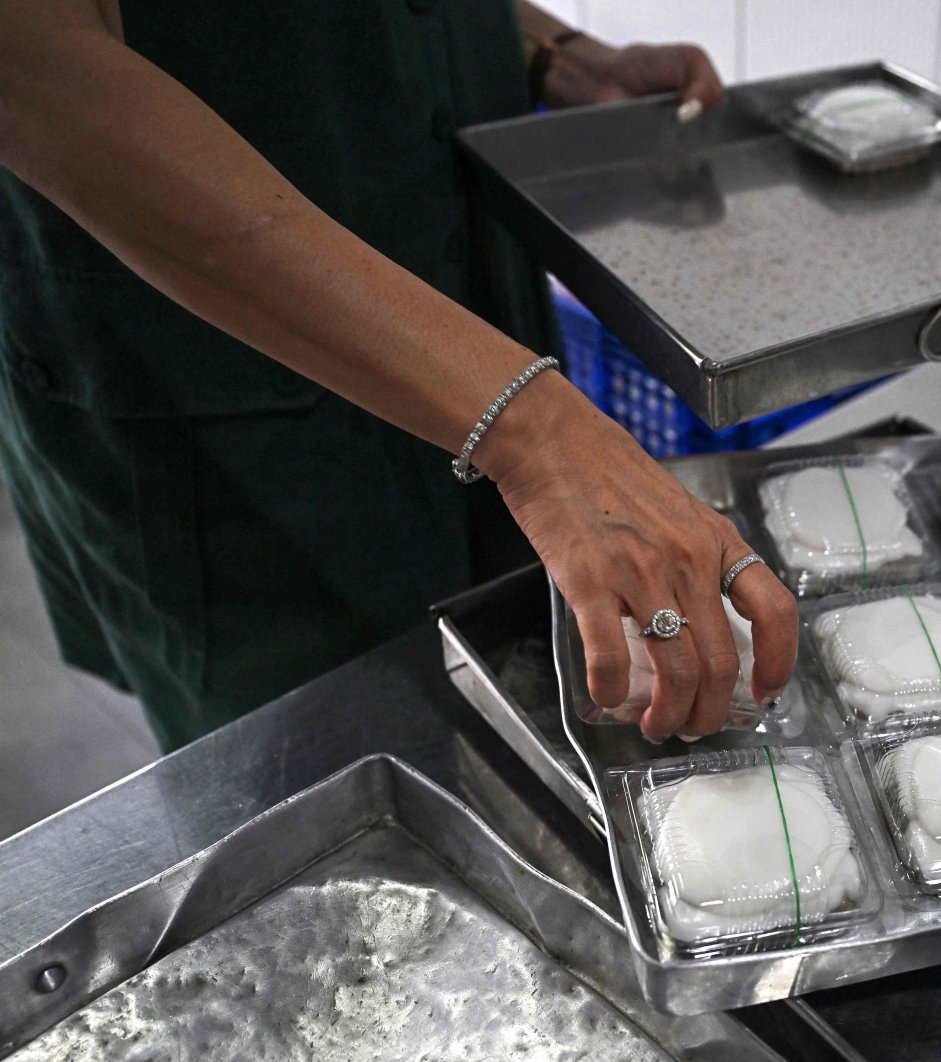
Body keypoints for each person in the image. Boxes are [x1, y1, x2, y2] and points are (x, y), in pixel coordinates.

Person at [0, 0, 798, 750]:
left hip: (481, 305)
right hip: (228, 393)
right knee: (332, 767)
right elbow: (33, 67)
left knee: (525, 707)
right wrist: (537, 431)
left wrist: (551, 54)